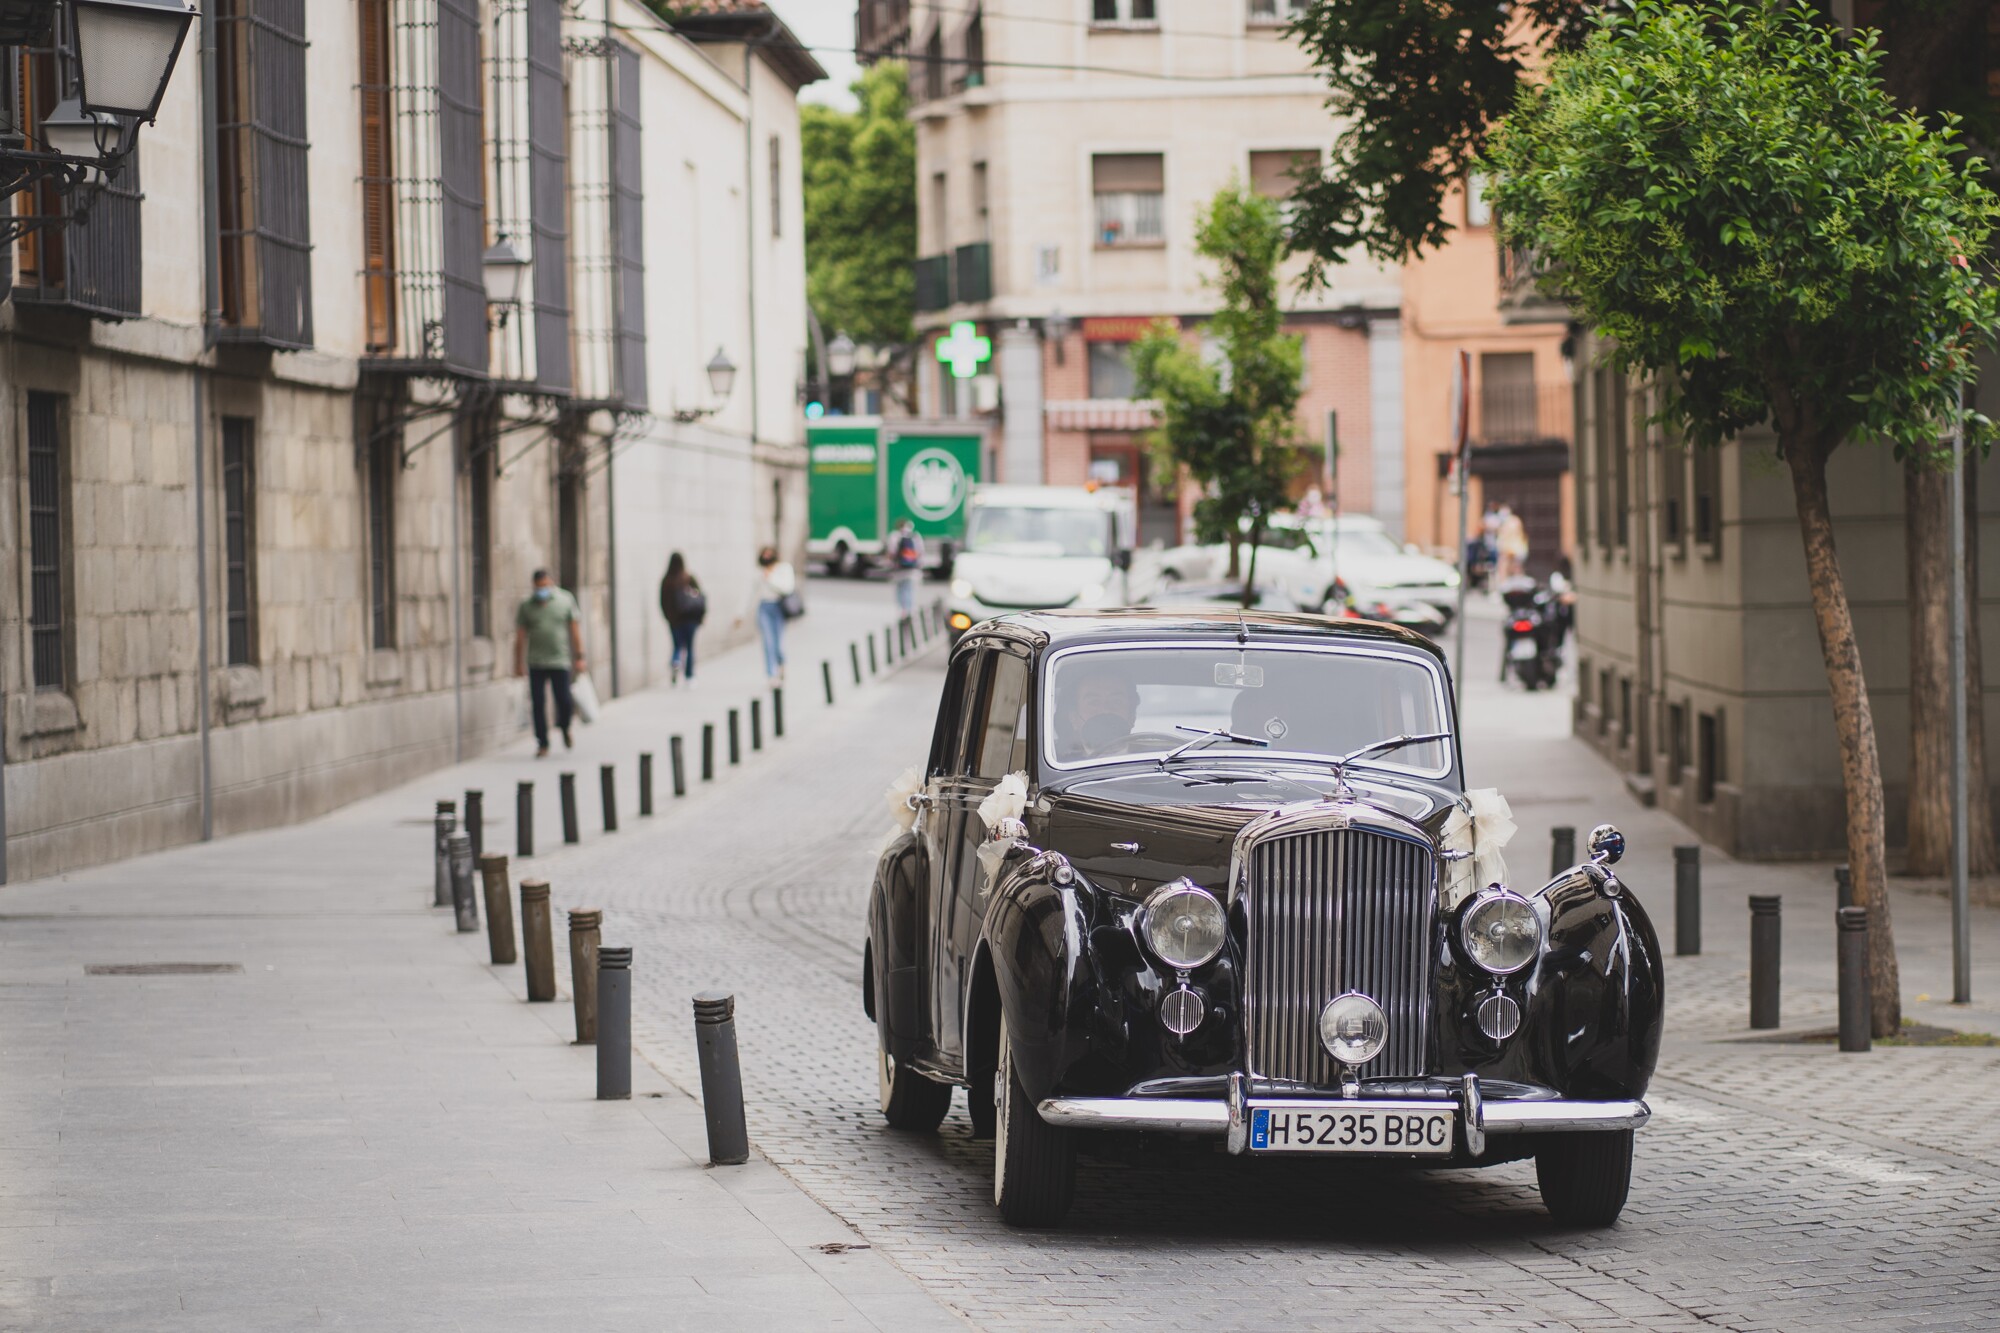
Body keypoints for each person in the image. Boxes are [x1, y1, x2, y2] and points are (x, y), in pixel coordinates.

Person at [514, 568, 584, 758]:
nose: (541, 590)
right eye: (538, 587)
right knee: (538, 703)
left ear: (551, 583)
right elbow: (520, 636)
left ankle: (565, 726)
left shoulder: (565, 600)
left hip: (560, 660)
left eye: (544, 586)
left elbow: (574, 629)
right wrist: (518, 663)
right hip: (536, 662)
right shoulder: (527, 605)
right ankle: (542, 742)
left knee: (564, 699)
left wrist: (579, 656)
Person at [1053, 662, 1139, 760]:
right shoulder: (1058, 763)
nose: (1105, 710)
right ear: (1073, 718)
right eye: (1093, 702)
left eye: (1116, 701)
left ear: (1132, 716)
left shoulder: (1155, 757)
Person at [658, 552, 705, 686]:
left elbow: (662, 602)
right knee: (689, 647)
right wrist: (701, 617)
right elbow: (700, 598)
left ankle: (675, 662)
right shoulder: (688, 578)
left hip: (674, 621)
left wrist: (668, 617)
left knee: (677, 646)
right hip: (690, 620)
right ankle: (689, 677)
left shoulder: (667, 581)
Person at [755, 545, 795, 682]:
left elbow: (787, 587)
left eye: (769, 554)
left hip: (779, 607)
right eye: (764, 554)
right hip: (764, 607)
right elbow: (749, 593)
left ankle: (781, 663)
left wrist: (770, 578)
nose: (766, 557)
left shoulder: (784, 568)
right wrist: (739, 614)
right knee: (767, 641)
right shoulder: (758, 572)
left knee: (778, 642)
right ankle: (771, 674)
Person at [890, 519, 925, 615]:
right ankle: (910, 610)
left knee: (901, 590)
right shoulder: (915, 536)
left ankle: (903, 611)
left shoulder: (895, 536)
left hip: (899, 569)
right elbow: (920, 552)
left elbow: (891, 552)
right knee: (910, 589)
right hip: (913, 570)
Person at [1496, 505, 1529, 581]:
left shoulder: (1511, 522)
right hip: (1512, 549)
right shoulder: (1509, 522)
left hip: (1512, 549)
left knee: (1511, 567)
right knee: (1510, 567)